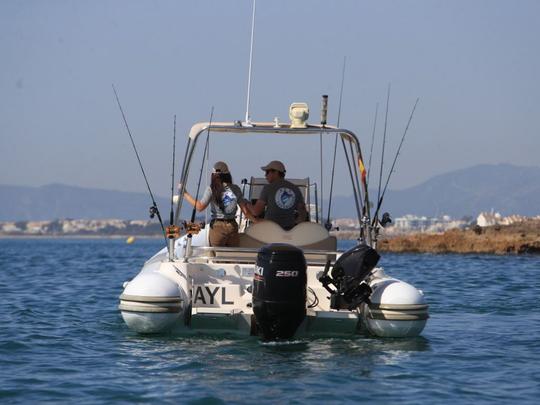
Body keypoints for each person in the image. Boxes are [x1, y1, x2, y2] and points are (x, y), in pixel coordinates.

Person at [182, 161, 251, 247]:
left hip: (217, 228)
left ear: (213, 175)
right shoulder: (235, 189)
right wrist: (256, 221)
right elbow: (245, 212)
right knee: (232, 257)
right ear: (227, 174)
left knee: (217, 257)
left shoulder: (211, 189)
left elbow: (200, 207)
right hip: (232, 227)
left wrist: (185, 194)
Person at [249, 160, 307, 230]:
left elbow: (256, 212)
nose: (265, 175)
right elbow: (303, 213)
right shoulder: (295, 189)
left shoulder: (268, 188)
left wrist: (246, 204)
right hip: (289, 231)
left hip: (270, 230)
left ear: (275, 172)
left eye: (267, 172)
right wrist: (295, 225)